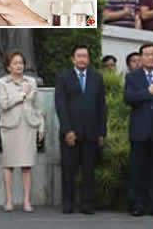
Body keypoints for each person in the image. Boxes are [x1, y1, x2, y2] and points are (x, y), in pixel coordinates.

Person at [54, 45, 106, 214]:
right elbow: (60, 105)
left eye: (85, 56)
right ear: (73, 59)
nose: (82, 59)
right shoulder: (63, 77)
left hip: (91, 133)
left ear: (89, 59)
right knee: (68, 170)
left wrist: (101, 132)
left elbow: (101, 107)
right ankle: (68, 203)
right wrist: (67, 130)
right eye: (79, 56)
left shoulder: (97, 78)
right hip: (71, 132)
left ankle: (87, 204)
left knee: (88, 171)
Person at [0, 51, 44, 212]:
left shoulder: (31, 81)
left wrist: (41, 125)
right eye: (15, 63)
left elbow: (37, 106)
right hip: (10, 126)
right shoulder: (2, 82)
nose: (19, 66)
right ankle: (9, 200)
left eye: (21, 63)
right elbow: (4, 104)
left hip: (28, 124)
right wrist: (22, 94)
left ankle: (26, 201)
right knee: (9, 164)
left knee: (27, 164)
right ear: (8, 66)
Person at [124, 43, 153, 217]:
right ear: (141, 57)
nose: (150, 57)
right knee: (138, 170)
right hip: (139, 131)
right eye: (147, 54)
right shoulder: (132, 77)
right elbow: (129, 98)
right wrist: (148, 92)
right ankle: (137, 204)